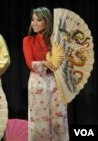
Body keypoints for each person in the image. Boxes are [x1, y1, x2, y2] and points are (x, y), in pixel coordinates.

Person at [22, 7, 69, 141]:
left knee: (59, 120)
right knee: (39, 120)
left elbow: (63, 63)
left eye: (39, 20)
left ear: (47, 22)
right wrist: (44, 63)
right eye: (32, 20)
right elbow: (29, 63)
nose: (34, 23)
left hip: (56, 83)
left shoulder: (56, 40)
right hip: (38, 83)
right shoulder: (28, 40)